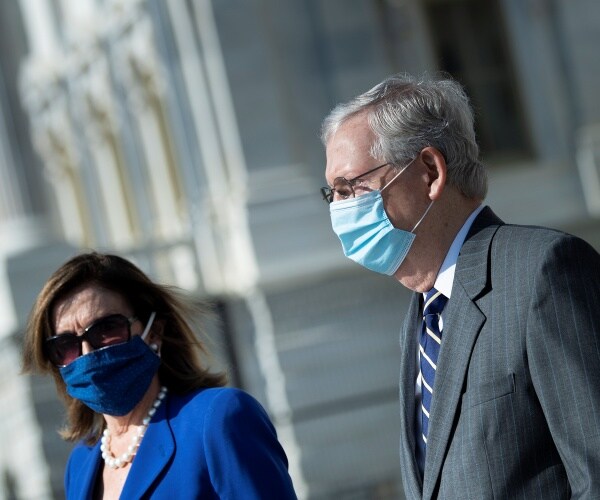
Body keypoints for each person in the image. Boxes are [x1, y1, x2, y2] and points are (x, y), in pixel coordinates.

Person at [320, 73, 600, 499]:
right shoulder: (419, 321)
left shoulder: (542, 271)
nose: (340, 209)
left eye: (351, 187)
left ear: (430, 172)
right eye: (333, 194)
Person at [22, 252, 297, 499]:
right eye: (65, 345)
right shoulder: (80, 464)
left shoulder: (218, 419)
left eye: (106, 329)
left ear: (154, 332)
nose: (87, 353)